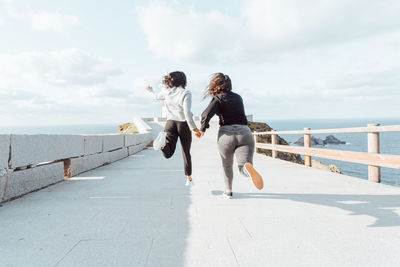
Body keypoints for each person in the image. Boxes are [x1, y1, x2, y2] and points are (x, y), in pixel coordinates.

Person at [197, 73, 263, 198]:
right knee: (243, 166)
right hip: (244, 132)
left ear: (215, 85)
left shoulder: (218, 99)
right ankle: (247, 169)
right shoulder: (238, 97)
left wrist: (202, 129)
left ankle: (228, 191)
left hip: (226, 135)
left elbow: (206, 114)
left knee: (227, 165)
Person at [146, 71, 200, 186]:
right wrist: (194, 129)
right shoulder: (186, 93)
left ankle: (163, 145)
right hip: (183, 124)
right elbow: (186, 113)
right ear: (183, 81)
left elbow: (155, 96)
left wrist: (150, 90)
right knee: (186, 151)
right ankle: (189, 178)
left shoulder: (166, 91)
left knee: (168, 153)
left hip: (170, 123)